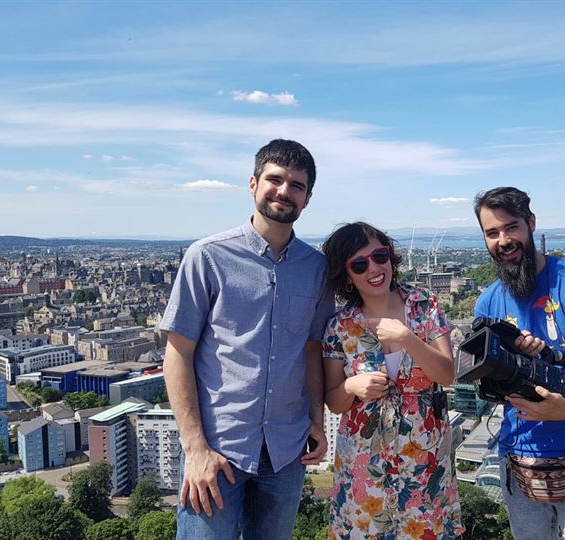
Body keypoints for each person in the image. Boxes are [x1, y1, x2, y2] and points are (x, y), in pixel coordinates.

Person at [160, 139, 335, 540]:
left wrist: (316, 422)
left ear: (308, 198)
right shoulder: (207, 256)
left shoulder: (317, 269)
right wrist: (195, 448)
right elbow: (178, 354)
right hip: (219, 449)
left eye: (297, 185)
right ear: (254, 183)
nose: (284, 191)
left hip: (286, 451)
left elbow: (310, 351)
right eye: (275, 179)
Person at [472, 187, 565, 540]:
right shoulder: (489, 302)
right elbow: (491, 384)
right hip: (518, 460)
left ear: (531, 223)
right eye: (492, 233)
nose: (503, 240)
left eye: (511, 227)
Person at [321, 222, 464, 539]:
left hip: (425, 456)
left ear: (390, 256)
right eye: (359, 264)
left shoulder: (424, 305)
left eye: (379, 256)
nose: (373, 267)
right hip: (363, 458)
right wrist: (351, 387)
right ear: (346, 275)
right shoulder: (339, 327)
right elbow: (333, 401)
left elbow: (446, 374)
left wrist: (407, 338)